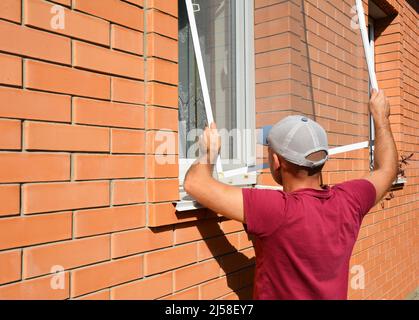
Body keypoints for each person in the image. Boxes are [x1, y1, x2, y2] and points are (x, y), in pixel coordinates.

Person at [183, 89, 398, 300]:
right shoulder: (350, 200)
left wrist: (208, 152)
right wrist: (381, 118)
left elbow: (195, 184)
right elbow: (387, 170)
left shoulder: (276, 210)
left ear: (277, 162)